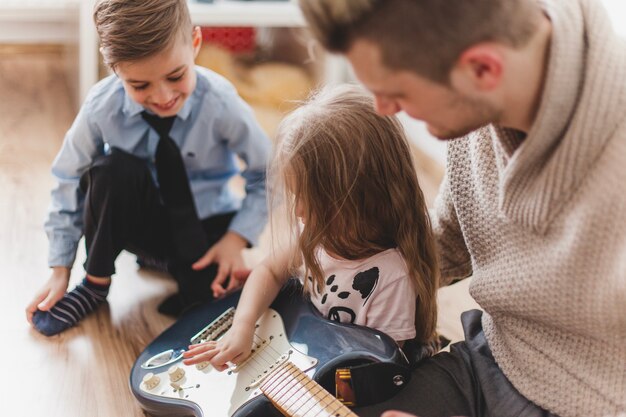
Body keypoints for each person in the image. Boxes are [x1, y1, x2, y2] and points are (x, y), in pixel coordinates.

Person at [296, 0, 626, 417]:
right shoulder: (477, 113)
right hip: (490, 359)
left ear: (483, 70)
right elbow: (448, 244)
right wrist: (328, 253)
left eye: (396, 92)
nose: (383, 109)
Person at [25, 0, 271, 336]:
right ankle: (96, 284)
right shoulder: (102, 107)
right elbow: (68, 177)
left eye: (176, 75)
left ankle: (179, 269)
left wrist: (236, 238)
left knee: (213, 301)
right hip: (143, 223)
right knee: (111, 170)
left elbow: (268, 172)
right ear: (115, 69)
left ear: (195, 43)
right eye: (140, 85)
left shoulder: (221, 102)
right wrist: (59, 268)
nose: (163, 96)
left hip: (206, 228)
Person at [182, 84, 440, 370]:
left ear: (356, 198)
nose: (299, 211)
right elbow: (268, 270)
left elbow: (378, 367)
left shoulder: (392, 277)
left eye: (308, 199)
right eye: (295, 197)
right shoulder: (318, 235)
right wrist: (242, 326)